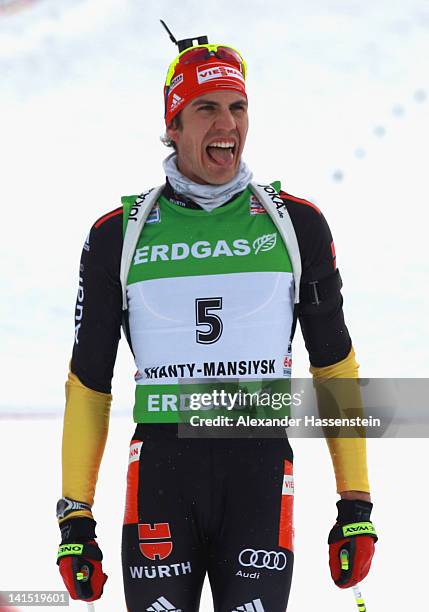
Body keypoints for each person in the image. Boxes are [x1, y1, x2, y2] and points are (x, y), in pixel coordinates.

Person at [56, 36, 377, 611]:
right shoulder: (118, 235)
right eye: (206, 108)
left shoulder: (296, 226)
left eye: (238, 106)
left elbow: (334, 366)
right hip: (161, 471)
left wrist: (355, 505)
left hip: (256, 469)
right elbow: (88, 385)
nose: (226, 123)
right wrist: (74, 515)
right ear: (173, 125)